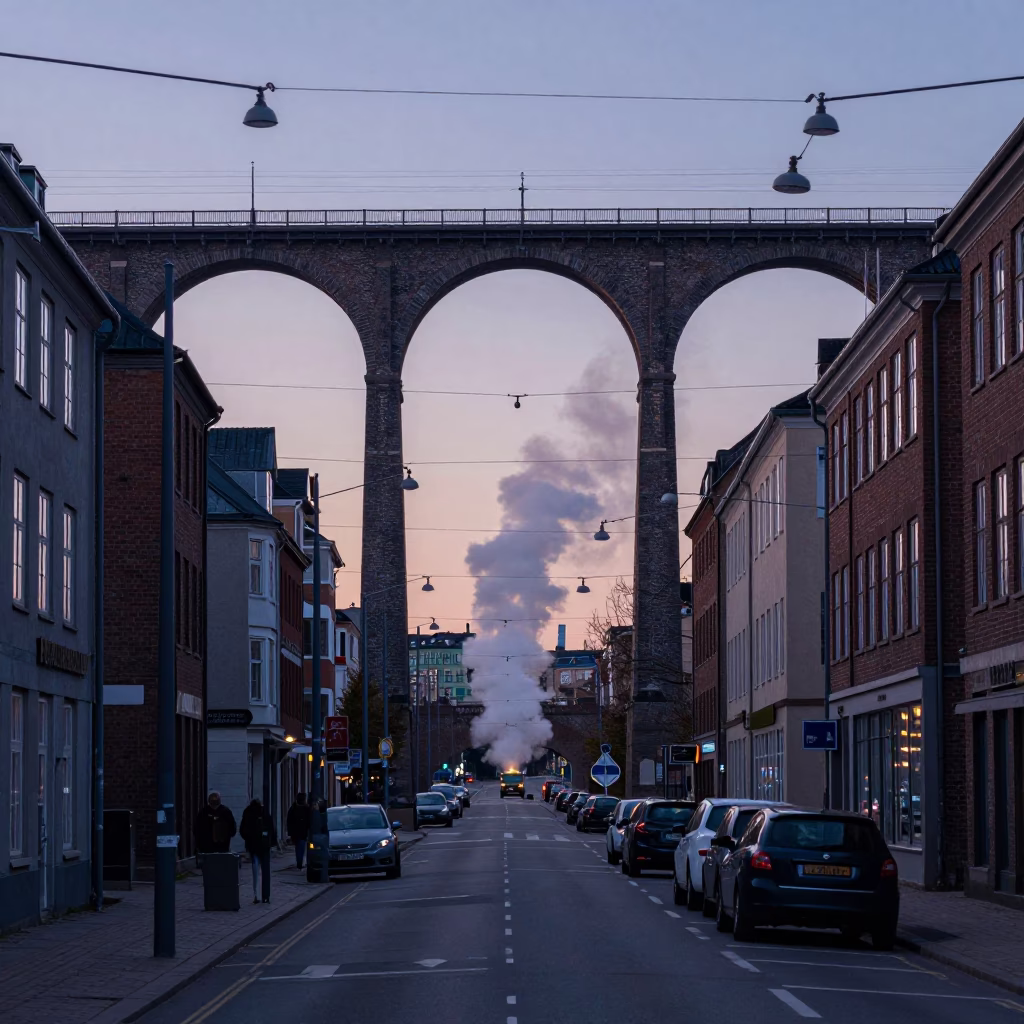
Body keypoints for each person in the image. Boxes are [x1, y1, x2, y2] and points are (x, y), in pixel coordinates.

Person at [239, 798, 276, 904]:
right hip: (264, 846)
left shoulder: (248, 813)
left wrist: (249, 839)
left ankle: (257, 895)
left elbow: (242, 830)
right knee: (265, 871)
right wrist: (272, 842)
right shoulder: (264, 813)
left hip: (253, 846)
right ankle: (266, 895)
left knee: (255, 870)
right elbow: (271, 828)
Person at [286, 793, 311, 869]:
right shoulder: (306, 808)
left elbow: (289, 821)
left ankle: (299, 863)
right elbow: (309, 820)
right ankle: (299, 863)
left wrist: (290, 832)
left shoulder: (293, 808)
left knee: (298, 848)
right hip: (302, 832)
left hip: (296, 833)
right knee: (301, 848)